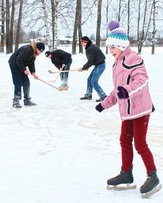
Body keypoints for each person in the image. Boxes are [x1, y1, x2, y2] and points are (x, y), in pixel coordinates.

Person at [95, 20, 161, 197]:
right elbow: (118, 90)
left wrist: (127, 90)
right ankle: (126, 173)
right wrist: (104, 103)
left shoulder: (134, 58)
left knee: (140, 143)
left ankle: (153, 175)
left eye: (113, 48)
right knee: (124, 141)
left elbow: (141, 80)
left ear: (121, 45)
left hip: (140, 110)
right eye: (109, 48)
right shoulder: (117, 64)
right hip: (127, 112)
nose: (111, 51)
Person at [8, 42, 45, 108]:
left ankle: (27, 100)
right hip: (14, 63)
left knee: (26, 82)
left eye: (41, 52)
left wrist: (33, 72)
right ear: (36, 48)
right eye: (39, 50)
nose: (39, 53)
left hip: (21, 64)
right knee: (17, 82)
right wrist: (24, 69)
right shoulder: (27, 49)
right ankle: (16, 101)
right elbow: (18, 60)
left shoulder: (34, 53)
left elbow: (31, 63)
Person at [79, 36, 107, 102]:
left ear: (86, 42)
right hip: (98, 64)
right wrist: (86, 67)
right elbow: (92, 60)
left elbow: (90, 61)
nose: (81, 43)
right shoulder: (90, 46)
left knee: (94, 81)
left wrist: (83, 67)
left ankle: (103, 96)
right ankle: (88, 95)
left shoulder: (90, 49)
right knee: (89, 80)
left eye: (82, 41)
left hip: (100, 65)